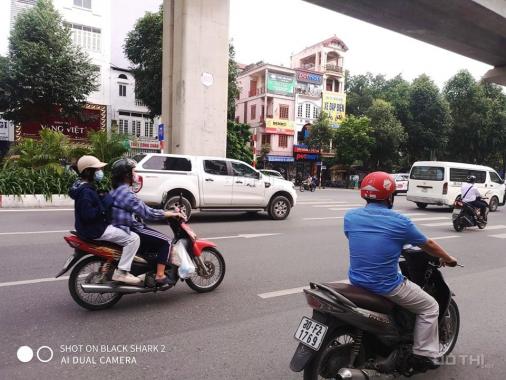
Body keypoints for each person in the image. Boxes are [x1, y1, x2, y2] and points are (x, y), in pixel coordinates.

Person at [344, 171, 458, 369]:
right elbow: (428, 244)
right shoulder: (400, 222)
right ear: (390, 196)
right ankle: (422, 354)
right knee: (430, 306)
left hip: (356, 281)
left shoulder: (350, 217)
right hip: (386, 286)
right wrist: (448, 259)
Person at [109, 158, 186, 286]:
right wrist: (170, 213)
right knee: (166, 242)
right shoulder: (126, 193)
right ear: (127, 174)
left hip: (122, 226)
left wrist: (165, 210)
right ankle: (160, 276)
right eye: (133, 171)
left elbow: (142, 207)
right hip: (131, 228)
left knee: (153, 239)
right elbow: (147, 213)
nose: (136, 175)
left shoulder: (118, 190)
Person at [69, 155, 141, 285]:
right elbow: (88, 215)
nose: (99, 173)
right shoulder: (85, 192)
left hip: (88, 228)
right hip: (95, 230)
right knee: (134, 238)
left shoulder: (82, 186)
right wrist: (105, 203)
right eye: (96, 170)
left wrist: (100, 197)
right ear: (88, 171)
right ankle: (122, 272)